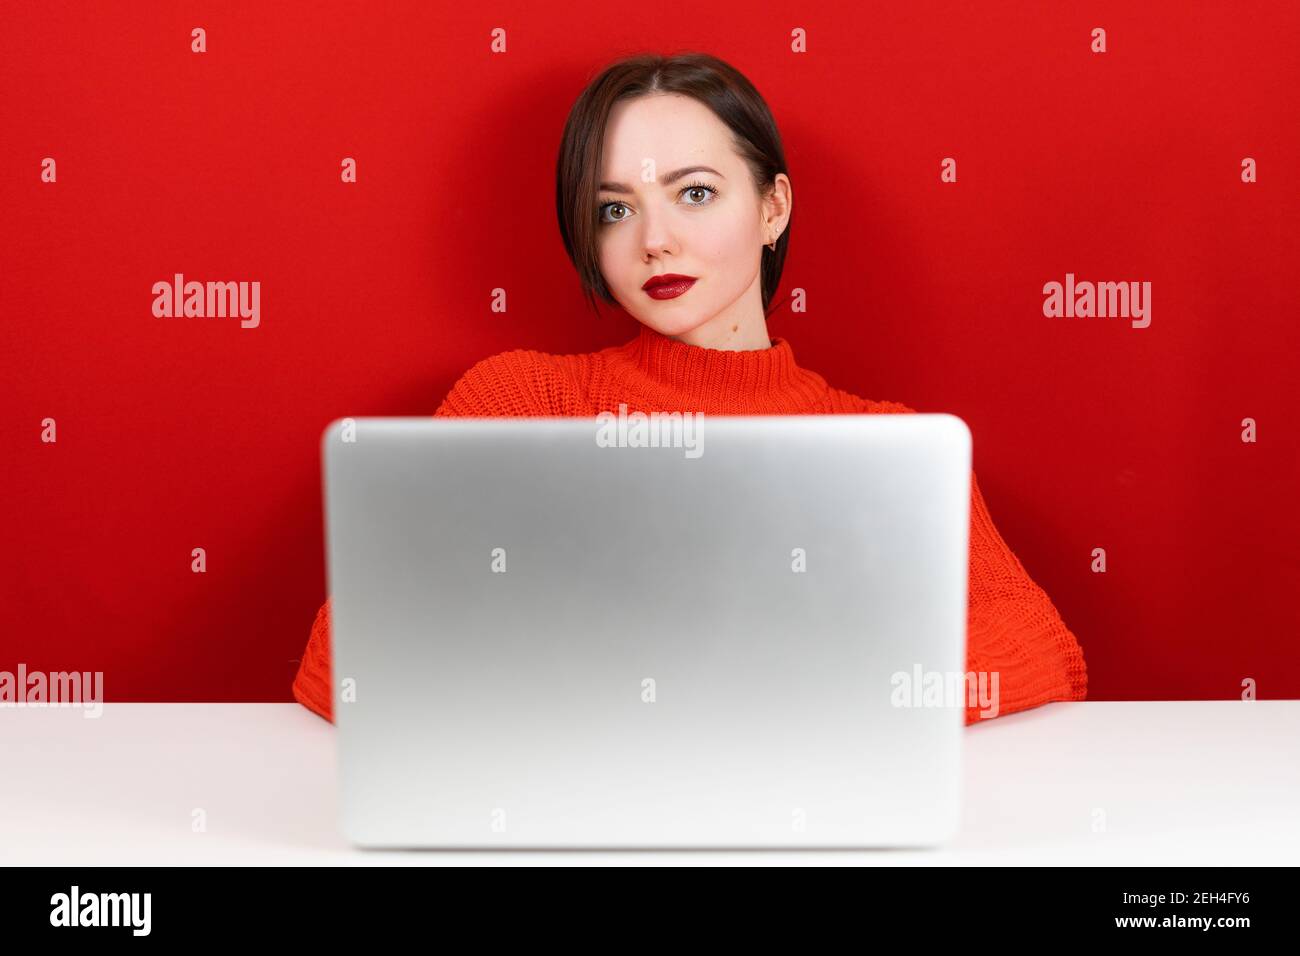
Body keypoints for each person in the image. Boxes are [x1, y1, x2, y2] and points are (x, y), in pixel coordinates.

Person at [293, 51, 1087, 726]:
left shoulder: (882, 442)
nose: (654, 239)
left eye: (694, 193)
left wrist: (806, 688)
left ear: (771, 208)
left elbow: (1040, 644)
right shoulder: (522, 401)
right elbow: (344, 657)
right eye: (614, 209)